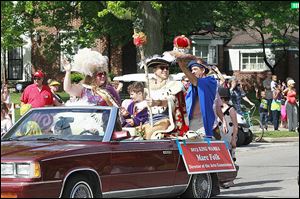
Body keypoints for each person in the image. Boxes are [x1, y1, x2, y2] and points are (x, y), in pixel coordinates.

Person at [176, 54, 227, 139]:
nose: (193, 72)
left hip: (205, 122)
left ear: (203, 70)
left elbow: (217, 107)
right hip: (192, 121)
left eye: (195, 69)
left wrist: (182, 65)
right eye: (191, 70)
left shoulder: (210, 82)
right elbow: (217, 106)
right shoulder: (192, 86)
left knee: (206, 147)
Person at [142, 53, 188, 139]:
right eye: (162, 68)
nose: (165, 70)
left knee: (150, 133)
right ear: (154, 71)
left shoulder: (174, 85)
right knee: (136, 133)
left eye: (167, 68)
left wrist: (156, 102)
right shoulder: (148, 87)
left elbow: (172, 101)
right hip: (150, 120)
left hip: (167, 119)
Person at [217, 87, 238, 188]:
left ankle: (230, 179)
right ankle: (223, 178)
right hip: (221, 136)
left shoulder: (231, 109)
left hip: (229, 136)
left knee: (230, 158)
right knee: (222, 158)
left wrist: (234, 138)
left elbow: (235, 125)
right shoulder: (218, 108)